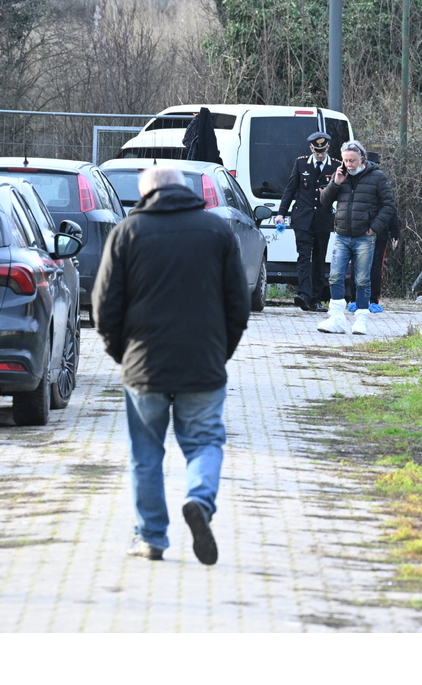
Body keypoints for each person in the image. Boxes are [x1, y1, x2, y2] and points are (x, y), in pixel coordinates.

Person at [92, 166, 250, 565]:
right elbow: (238, 302)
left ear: (145, 195)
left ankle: (151, 537)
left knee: (145, 453)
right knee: (206, 442)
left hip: (144, 365)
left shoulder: (127, 233)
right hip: (204, 361)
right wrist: (222, 351)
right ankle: (198, 498)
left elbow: (104, 308)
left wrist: (122, 355)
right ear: (184, 190)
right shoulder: (217, 232)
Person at [318, 139, 397, 335]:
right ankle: (336, 318)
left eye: (352, 160)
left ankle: (361, 320)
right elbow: (324, 202)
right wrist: (335, 184)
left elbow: (389, 206)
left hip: (364, 236)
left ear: (362, 158)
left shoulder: (377, 177)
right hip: (342, 234)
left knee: (362, 279)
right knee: (335, 276)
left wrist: (374, 228)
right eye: (345, 160)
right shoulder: (340, 175)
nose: (348, 165)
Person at [274, 132, 337, 312]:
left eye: (323, 150)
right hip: (303, 219)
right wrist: (281, 213)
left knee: (319, 259)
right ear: (311, 149)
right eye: (317, 151)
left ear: (328, 148)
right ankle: (304, 295)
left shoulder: (336, 167)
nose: (320, 154)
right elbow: (290, 189)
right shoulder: (301, 163)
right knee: (303, 257)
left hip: (323, 220)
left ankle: (315, 299)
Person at [346, 209, 400, 313]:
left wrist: (394, 231)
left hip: (377, 233)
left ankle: (373, 301)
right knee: (357, 266)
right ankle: (355, 299)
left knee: (375, 267)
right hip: (360, 231)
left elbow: (389, 208)